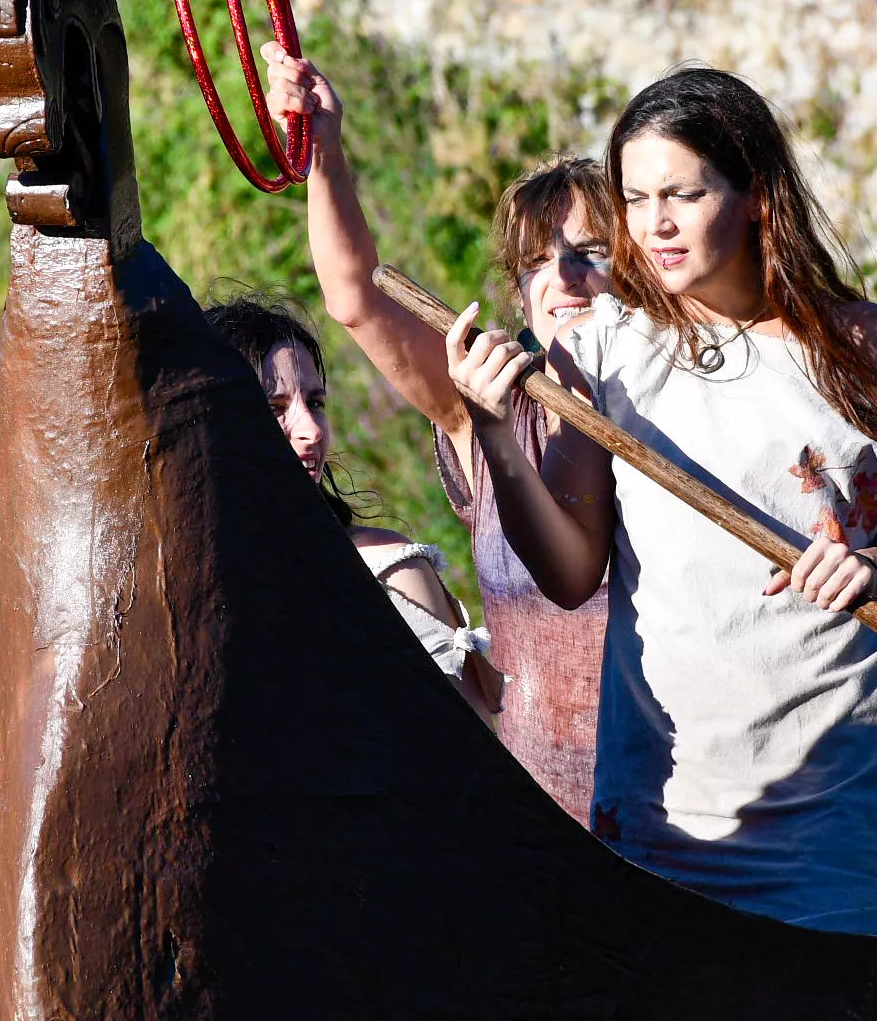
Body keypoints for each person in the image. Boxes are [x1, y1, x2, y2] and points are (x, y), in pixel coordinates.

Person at [0, 295, 490, 999]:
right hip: (221, 949)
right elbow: (25, 781)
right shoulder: (145, 598)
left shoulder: (385, 569)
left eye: (316, 402)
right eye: (273, 407)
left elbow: (474, 775)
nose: (309, 432)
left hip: (383, 940)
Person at [447, 67, 877, 939]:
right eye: (637, 198)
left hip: (833, 793)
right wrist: (497, 433)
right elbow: (572, 574)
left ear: (756, 194)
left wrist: (872, 565)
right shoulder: (605, 349)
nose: (654, 225)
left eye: (684, 194)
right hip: (669, 801)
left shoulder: (863, 343)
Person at [261, 41, 617, 824]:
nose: (565, 275)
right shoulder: (477, 405)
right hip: (542, 818)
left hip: (687, 812)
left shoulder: (682, 410)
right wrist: (324, 148)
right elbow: (354, 298)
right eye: (539, 261)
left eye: (591, 252)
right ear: (519, 299)